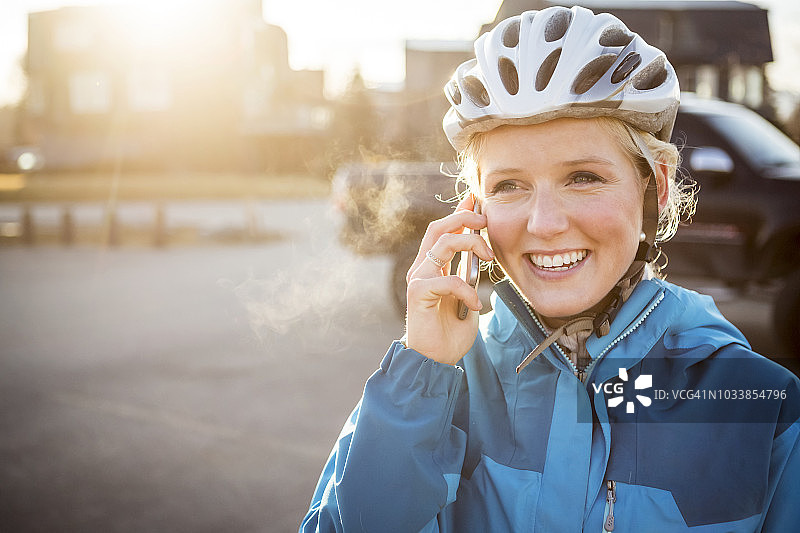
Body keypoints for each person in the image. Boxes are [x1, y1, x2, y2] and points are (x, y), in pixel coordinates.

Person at [300, 6, 800, 532]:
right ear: (475, 207)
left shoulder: (759, 406)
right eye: (508, 186)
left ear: (658, 186)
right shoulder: (432, 385)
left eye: (583, 177)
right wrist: (421, 376)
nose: (543, 223)